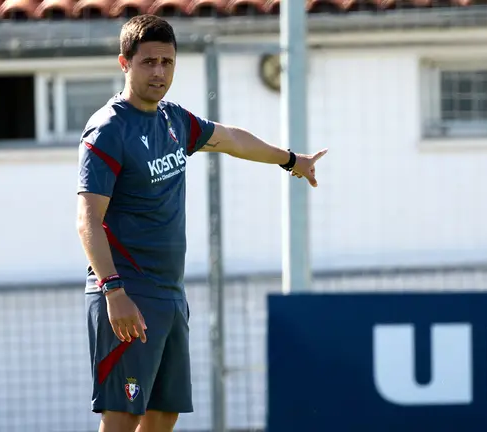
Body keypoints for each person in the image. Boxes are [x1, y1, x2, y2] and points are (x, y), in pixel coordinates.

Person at [75, 14, 327, 432]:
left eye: (167, 62)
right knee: (121, 417)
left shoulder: (173, 120)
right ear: (125, 63)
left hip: (170, 294)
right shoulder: (108, 130)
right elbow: (87, 220)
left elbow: (229, 138)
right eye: (148, 62)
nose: (159, 72)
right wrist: (113, 291)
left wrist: (290, 160)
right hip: (127, 292)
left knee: (164, 413)